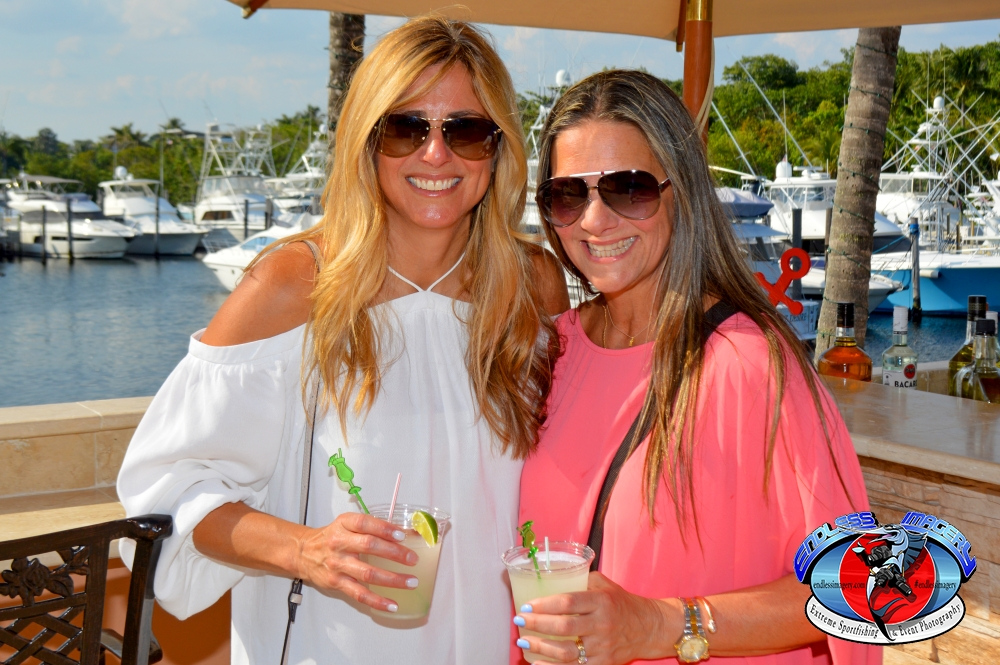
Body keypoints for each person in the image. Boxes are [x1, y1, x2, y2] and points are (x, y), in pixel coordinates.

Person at [117, 17, 567, 665]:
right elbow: (168, 490)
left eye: (465, 130)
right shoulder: (294, 283)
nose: (435, 155)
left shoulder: (534, 286)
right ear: (365, 140)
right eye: (406, 128)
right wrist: (307, 550)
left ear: (498, 149)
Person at [514, 70, 880, 664]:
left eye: (628, 188)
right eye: (568, 195)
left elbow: (856, 586)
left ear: (680, 191)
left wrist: (661, 624)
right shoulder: (550, 354)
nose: (594, 220)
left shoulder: (752, 365)